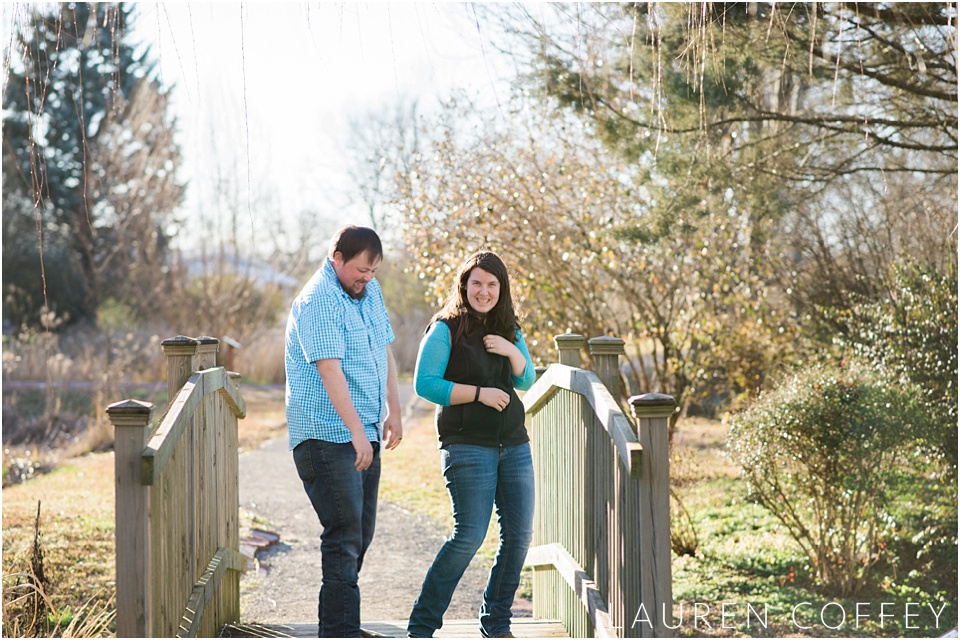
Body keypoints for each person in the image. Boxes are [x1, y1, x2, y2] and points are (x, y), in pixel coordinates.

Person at [407, 250, 537, 639]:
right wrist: (479, 394)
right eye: (476, 282)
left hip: (514, 443)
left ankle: (496, 623)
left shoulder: (509, 327)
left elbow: (526, 380)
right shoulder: (446, 328)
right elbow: (425, 384)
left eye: (492, 284)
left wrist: (513, 350)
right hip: (467, 445)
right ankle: (422, 626)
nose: (484, 291)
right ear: (464, 285)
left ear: (502, 288)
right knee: (469, 535)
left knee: (518, 537)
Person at [284, 225, 403, 638]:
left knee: (360, 533)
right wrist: (355, 430)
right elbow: (328, 369)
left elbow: (384, 347)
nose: (366, 278)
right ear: (337, 258)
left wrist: (395, 410)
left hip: (364, 430)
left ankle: (341, 624)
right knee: (343, 533)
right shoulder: (318, 301)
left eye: (372, 271)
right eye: (360, 270)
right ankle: (339, 630)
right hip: (326, 435)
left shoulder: (369, 292)